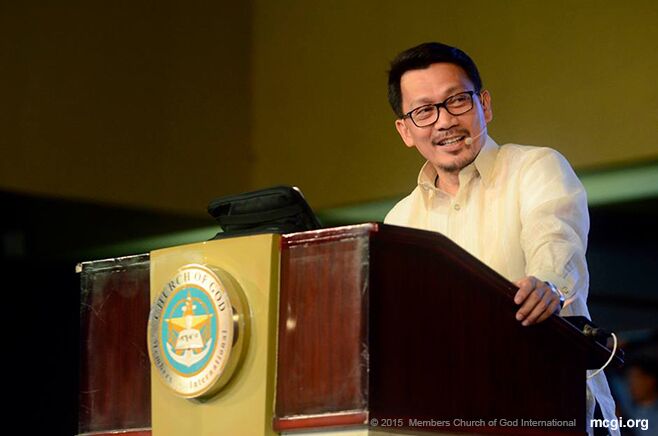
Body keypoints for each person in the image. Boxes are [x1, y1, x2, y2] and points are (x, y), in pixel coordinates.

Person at [384, 42, 618, 435]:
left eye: (457, 101)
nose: (443, 122)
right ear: (405, 131)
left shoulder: (535, 167)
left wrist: (546, 285)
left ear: (484, 105)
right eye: (424, 111)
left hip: (547, 405)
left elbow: (555, 239)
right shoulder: (400, 219)